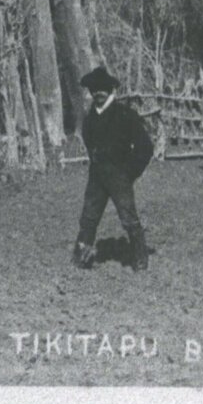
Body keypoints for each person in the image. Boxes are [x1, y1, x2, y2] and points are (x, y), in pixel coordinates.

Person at [73, 66, 155, 271]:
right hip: (96, 176)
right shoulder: (89, 119)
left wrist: (130, 172)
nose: (98, 92)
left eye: (102, 88)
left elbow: (145, 147)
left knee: (128, 218)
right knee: (88, 218)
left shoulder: (125, 114)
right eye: (94, 89)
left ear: (111, 89)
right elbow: (89, 142)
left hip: (120, 176)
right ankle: (81, 258)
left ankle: (140, 258)